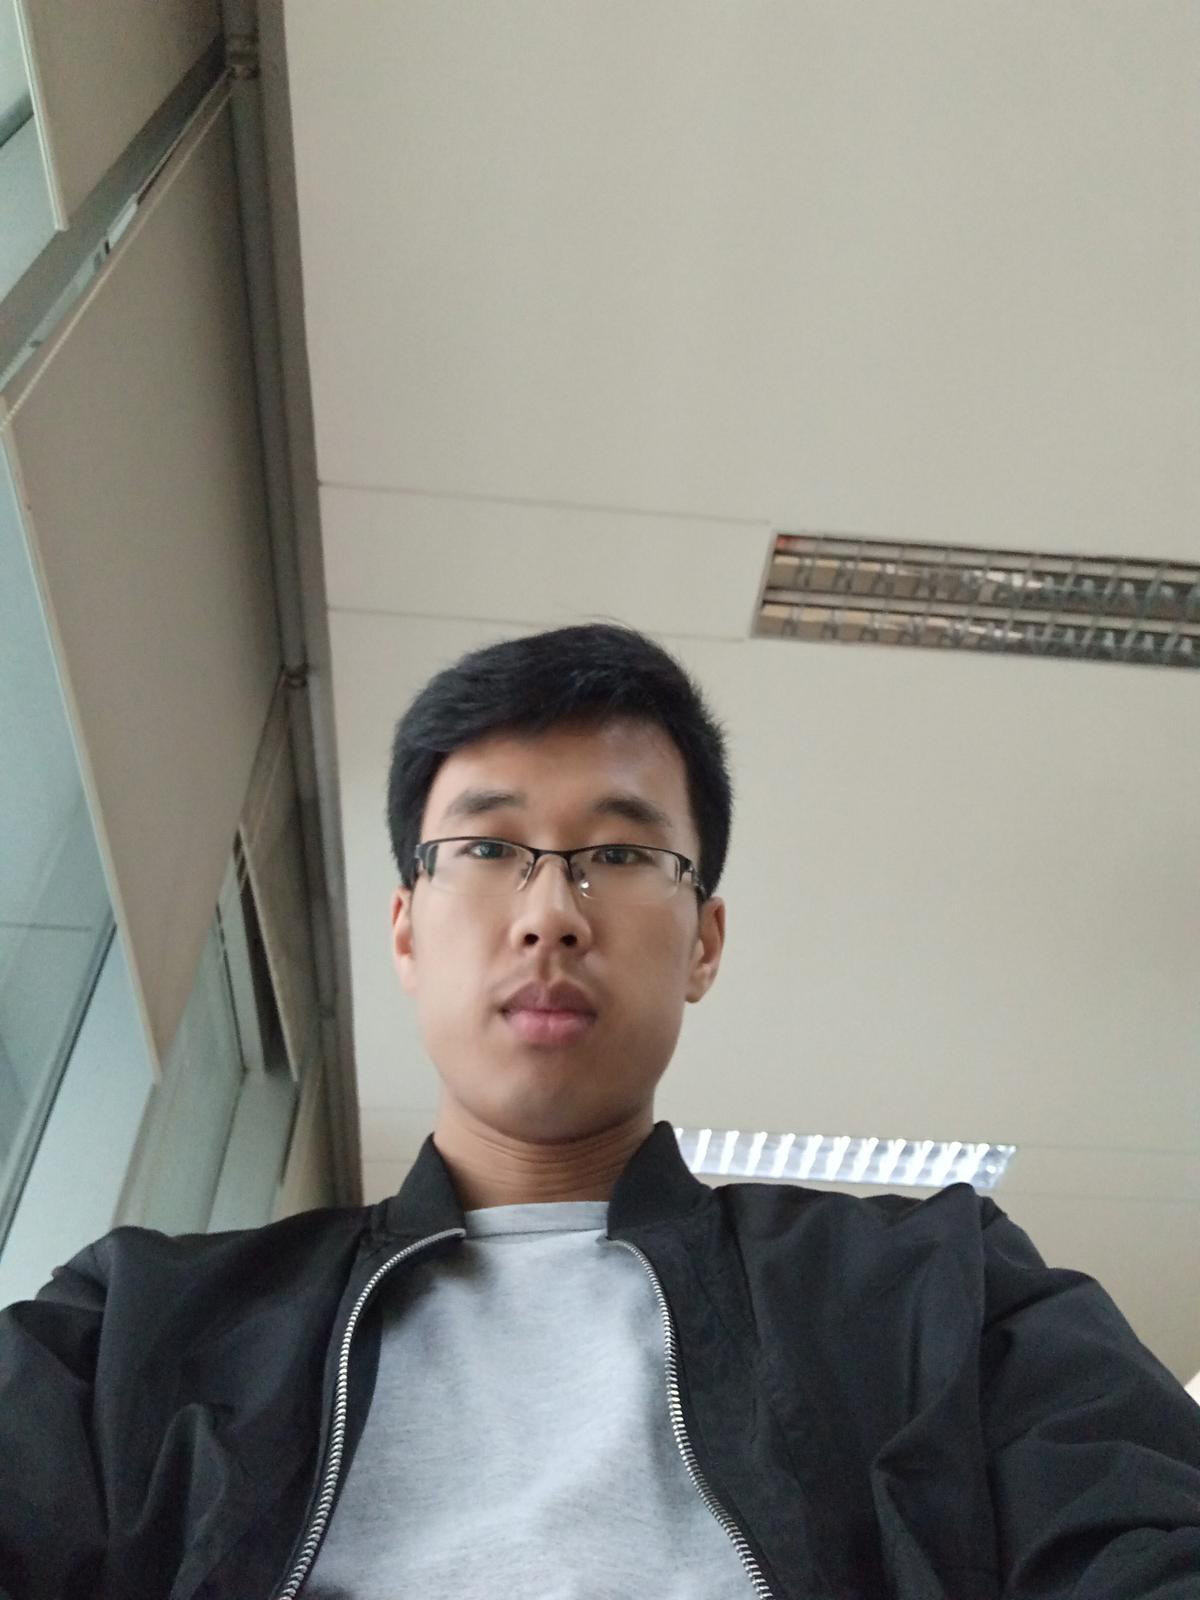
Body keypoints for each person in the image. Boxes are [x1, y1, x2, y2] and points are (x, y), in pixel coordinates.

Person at [1, 621, 1198, 1600]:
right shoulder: (135, 1330)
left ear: (705, 941)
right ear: (406, 929)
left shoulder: (935, 1290)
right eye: (488, 848)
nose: (551, 914)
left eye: (620, 856)